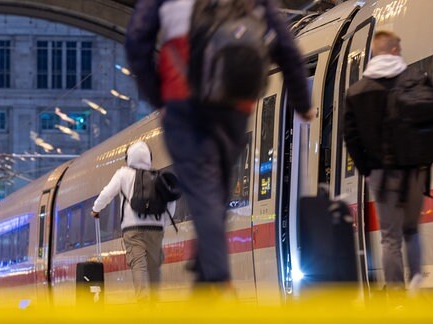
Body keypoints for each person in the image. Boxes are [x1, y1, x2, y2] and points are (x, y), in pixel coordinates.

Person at [125, 0, 315, 287]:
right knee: (217, 191)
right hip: (234, 105)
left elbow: (137, 41)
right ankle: (205, 280)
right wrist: (302, 102)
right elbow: (285, 46)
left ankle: (216, 279)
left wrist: (158, 95)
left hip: (183, 103)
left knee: (204, 191)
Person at [344, 31, 427, 297]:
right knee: (412, 230)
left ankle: (397, 295)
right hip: (413, 170)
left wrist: (367, 169)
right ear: (392, 50)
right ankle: (416, 279)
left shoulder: (357, 92)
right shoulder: (413, 81)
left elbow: (351, 136)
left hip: (380, 174)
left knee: (390, 238)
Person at [90, 141, 176, 304]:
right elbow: (171, 202)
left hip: (132, 228)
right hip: (156, 228)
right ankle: (154, 301)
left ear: (128, 158)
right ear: (149, 158)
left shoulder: (123, 174)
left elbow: (107, 193)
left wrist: (96, 209)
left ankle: (143, 302)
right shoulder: (157, 176)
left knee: (138, 263)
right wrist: (163, 223)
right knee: (154, 265)